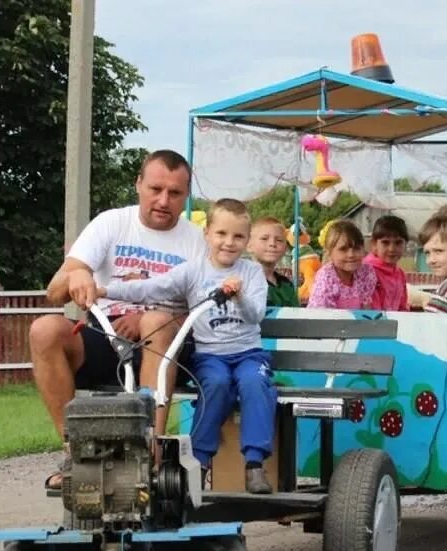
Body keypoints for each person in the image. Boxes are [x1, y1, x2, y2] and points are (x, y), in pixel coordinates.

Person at [31, 150, 208, 489]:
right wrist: (77, 274)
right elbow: (53, 293)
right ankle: (76, 451)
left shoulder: (196, 242)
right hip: (108, 338)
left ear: (186, 196)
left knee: (156, 320)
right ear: (138, 184)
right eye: (155, 189)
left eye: (174, 193)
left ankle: (147, 449)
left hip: (165, 345)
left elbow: (201, 310)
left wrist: (144, 318)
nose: (163, 200)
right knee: (45, 329)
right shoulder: (111, 223)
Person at [97, 199, 276, 494]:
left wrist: (239, 296)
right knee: (215, 384)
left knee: (255, 383)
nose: (229, 243)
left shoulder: (252, 273)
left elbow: (256, 315)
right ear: (207, 233)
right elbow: (149, 288)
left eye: (238, 236)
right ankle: (200, 462)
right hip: (211, 356)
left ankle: (255, 464)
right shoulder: (192, 271)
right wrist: (105, 289)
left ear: (247, 240)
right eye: (221, 234)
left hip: (248, 353)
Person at [307, 220, 377, 309]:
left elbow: (367, 308)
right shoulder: (326, 278)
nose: (351, 255)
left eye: (356, 248)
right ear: (329, 253)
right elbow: (322, 317)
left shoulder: (366, 273)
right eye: (343, 249)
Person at [418, 206, 447, 314]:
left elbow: (429, 324)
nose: (430, 260)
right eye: (427, 253)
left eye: (439, 251)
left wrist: (421, 298)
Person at [247, 216, 299, 308]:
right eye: (264, 238)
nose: (272, 244)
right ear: (249, 245)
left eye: (279, 240)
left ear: (285, 248)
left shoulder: (287, 284)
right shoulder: (245, 283)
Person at [363, 215, 411, 311]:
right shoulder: (366, 271)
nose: (392, 249)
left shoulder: (400, 274)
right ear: (374, 244)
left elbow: (402, 306)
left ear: (405, 244)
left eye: (398, 243)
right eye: (385, 242)